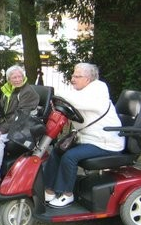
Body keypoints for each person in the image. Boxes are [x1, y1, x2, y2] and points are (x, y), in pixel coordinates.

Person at [43, 62, 125, 208]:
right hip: (88, 138)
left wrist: (57, 94)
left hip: (106, 141)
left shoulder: (99, 91)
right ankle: (48, 189)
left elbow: (78, 102)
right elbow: (71, 100)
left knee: (70, 156)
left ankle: (66, 193)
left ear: (88, 79)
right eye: (73, 75)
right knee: (57, 150)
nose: (73, 79)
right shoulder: (81, 91)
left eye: (77, 76)